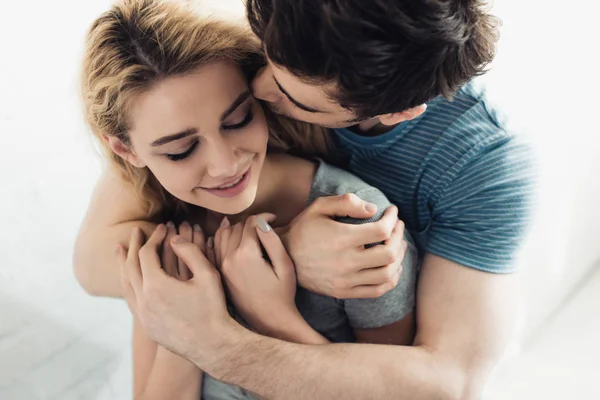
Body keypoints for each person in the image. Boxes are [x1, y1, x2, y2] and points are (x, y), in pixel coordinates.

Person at [112, 0, 537, 399]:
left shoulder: (480, 168)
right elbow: (95, 257)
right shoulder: (285, 36)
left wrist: (206, 340)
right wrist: (282, 247)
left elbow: (446, 383)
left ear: (396, 112)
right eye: (266, 58)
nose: (257, 86)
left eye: (289, 94)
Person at [77, 0, 418, 398]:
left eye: (238, 120)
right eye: (181, 150)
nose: (225, 165)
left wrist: (272, 314)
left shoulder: (357, 221)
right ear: (127, 150)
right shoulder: (168, 236)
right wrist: (186, 326)